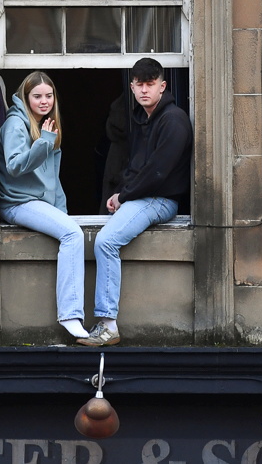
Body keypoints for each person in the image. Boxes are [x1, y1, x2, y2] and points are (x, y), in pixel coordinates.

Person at [81, 57, 192, 347]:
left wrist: (124, 195)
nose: (144, 90)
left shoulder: (173, 119)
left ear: (163, 86)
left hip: (160, 200)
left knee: (105, 242)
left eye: (150, 84)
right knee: (106, 239)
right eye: (139, 84)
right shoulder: (144, 118)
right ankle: (105, 325)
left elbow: (157, 172)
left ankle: (107, 326)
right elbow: (137, 167)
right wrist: (121, 194)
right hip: (144, 197)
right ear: (131, 86)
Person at [0, 72, 88, 341]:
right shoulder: (16, 124)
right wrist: (44, 142)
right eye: (37, 96)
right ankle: (71, 316)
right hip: (18, 202)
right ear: (25, 98)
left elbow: (52, 178)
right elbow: (14, 166)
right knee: (73, 235)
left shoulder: (46, 124)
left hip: (37, 201)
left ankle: (72, 315)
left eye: (49, 95)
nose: (44, 101)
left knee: (70, 230)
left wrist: (62, 213)